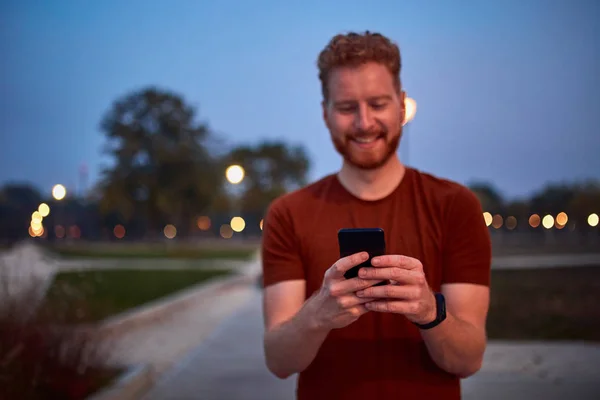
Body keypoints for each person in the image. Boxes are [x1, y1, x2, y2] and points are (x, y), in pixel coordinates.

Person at [260, 31, 492, 400]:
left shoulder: (455, 205)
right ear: (326, 114)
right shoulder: (289, 213)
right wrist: (316, 314)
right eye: (347, 107)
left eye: (378, 104)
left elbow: (468, 359)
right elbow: (279, 361)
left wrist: (429, 310)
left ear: (401, 106)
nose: (364, 123)